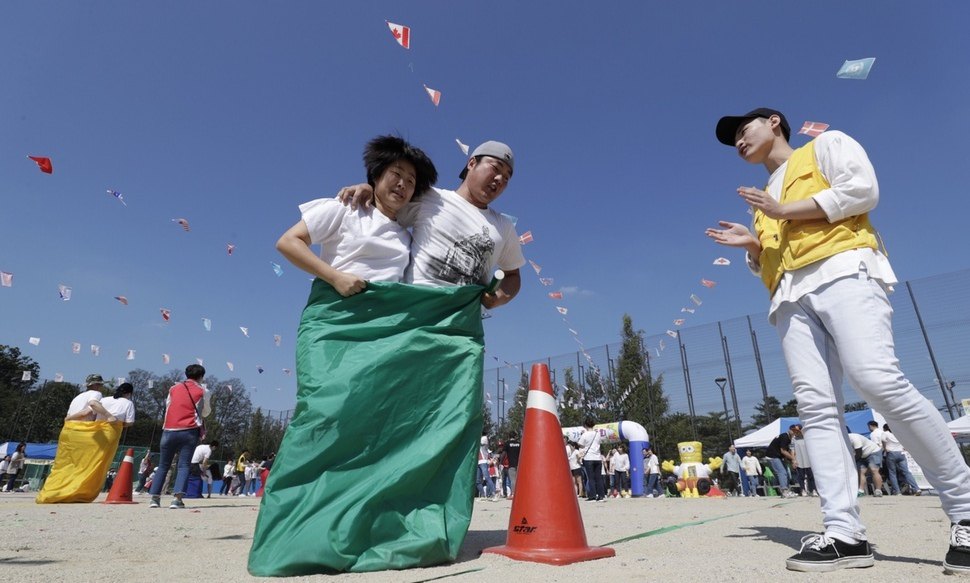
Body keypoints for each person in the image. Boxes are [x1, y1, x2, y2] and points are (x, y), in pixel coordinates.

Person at [708, 107, 970, 573]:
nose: (738, 142)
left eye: (743, 130)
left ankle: (966, 507)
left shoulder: (825, 146)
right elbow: (777, 252)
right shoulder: (761, 197)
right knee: (816, 409)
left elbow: (862, 191)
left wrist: (783, 210)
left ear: (774, 122)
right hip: (788, 296)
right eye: (733, 141)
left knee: (876, 380)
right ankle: (844, 532)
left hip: (844, 270)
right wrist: (753, 245)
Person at [339, 140, 525, 309]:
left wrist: (499, 296)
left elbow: (513, 275)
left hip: (463, 326)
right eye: (496, 168)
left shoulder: (504, 226)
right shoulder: (429, 197)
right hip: (414, 314)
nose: (500, 179)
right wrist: (369, 189)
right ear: (471, 163)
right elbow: (387, 201)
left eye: (507, 177)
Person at [148, 364, 211, 510]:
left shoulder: (173, 388)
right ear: (201, 376)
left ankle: (154, 498)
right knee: (183, 466)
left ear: (186, 374)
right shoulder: (203, 390)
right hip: (189, 430)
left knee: (163, 465)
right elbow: (206, 412)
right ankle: (177, 500)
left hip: (169, 429)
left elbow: (168, 405)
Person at [882, 424, 921, 496]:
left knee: (892, 473)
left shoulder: (885, 433)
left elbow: (883, 440)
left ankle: (897, 491)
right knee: (906, 472)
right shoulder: (898, 433)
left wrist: (885, 448)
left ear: (885, 428)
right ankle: (916, 488)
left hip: (891, 453)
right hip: (901, 453)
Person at [764, 425, 800, 498]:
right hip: (772, 456)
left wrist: (790, 462)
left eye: (796, 431)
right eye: (793, 430)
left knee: (786, 472)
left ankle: (787, 490)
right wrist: (793, 459)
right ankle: (784, 491)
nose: (794, 432)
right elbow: (783, 451)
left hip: (778, 456)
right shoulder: (785, 437)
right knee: (782, 472)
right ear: (789, 430)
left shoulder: (789, 439)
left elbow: (786, 452)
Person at [848, 431, 884, 497]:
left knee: (874, 470)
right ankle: (861, 491)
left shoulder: (854, 438)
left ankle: (878, 490)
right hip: (862, 455)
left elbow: (859, 453)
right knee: (861, 471)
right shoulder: (843, 442)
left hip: (873, 451)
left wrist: (852, 462)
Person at [578, 418, 605, 502]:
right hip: (597, 457)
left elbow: (580, 444)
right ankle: (601, 496)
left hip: (589, 457)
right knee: (599, 477)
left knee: (591, 478)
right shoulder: (597, 434)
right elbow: (599, 442)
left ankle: (592, 496)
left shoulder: (585, 434)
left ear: (585, 425)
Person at [791, 429, 817, 497]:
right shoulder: (793, 439)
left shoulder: (807, 438)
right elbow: (792, 451)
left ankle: (813, 490)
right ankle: (803, 490)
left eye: (797, 431)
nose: (796, 432)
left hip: (809, 460)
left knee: (811, 476)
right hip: (799, 460)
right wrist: (793, 461)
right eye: (794, 431)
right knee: (801, 476)